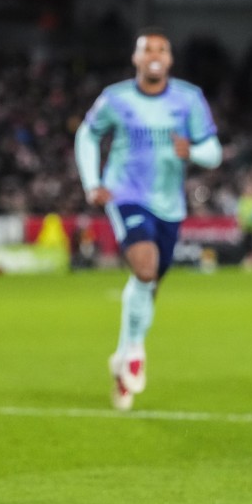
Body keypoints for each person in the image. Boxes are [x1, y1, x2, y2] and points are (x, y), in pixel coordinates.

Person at [74, 27, 222, 411]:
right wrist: (92, 183)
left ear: (169, 59)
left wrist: (192, 151)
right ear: (136, 58)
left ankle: (123, 353)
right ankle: (136, 351)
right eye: (147, 49)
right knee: (144, 268)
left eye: (161, 49)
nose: (154, 55)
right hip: (124, 195)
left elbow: (213, 151)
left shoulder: (189, 98)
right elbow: (87, 136)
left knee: (150, 282)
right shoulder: (115, 98)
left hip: (169, 205)